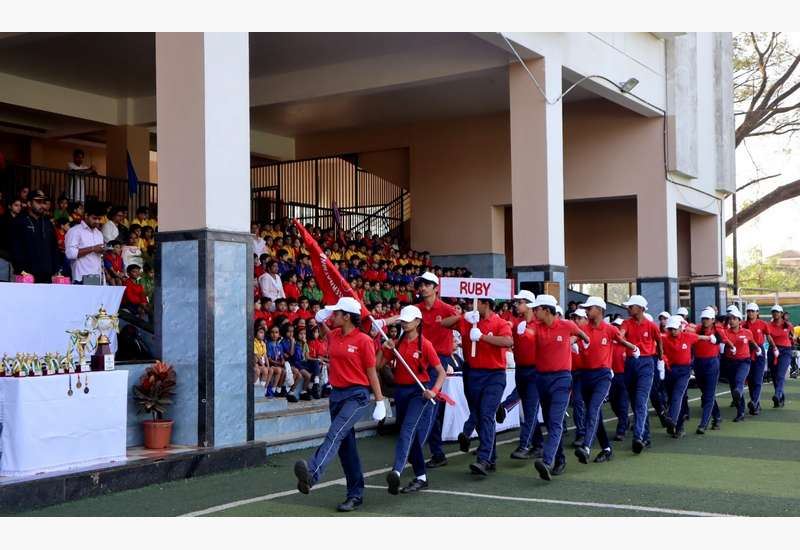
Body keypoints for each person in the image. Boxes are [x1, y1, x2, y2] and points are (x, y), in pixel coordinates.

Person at [294, 297, 386, 512]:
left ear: (347, 317)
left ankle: (312, 473)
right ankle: (355, 494)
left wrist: (380, 400)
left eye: (336, 313)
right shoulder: (334, 335)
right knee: (346, 447)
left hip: (357, 395)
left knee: (335, 434)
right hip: (336, 396)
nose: (332, 316)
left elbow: (372, 372)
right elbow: (325, 331)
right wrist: (320, 319)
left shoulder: (364, 340)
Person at [379, 305, 446, 495]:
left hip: (419, 392)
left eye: (409, 320)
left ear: (418, 322)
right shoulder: (396, 344)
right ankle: (421, 477)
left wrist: (433, 391)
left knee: (407, 430)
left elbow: (441, 372)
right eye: (403, 320)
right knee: (412, 436)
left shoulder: (425, 345)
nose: (405, 323)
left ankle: (397, 471)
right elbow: (378, 365)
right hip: (401, 392)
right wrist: (384, 348)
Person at [530, 294, 590, 481]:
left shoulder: (567, 325)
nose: (534, 312)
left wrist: (577, 342)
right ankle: (560, 459)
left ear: (546, 310)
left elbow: (583, 335)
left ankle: (547, 461)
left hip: (562, 379)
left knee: (555, 421)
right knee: (550, 422)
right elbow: (527, 335)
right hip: (542, 379)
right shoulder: (536, 326)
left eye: (537, 309)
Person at [573, 297, 639, 464]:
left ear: (600, 310)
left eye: (590, 308)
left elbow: (622, 341)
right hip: (585, 376)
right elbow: (572, 339)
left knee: (593, 410)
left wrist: (634, 349)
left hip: (603, 376)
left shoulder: (609, 329)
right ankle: (607, 449)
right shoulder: (582, 329)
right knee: (596, 416)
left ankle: (586, 447)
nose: (587, 311)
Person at [457, 297, 513, 476]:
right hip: (474, 374)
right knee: (479, 415)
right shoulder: (471, 320)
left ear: (486, 303)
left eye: (476, 302)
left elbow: (508, 341)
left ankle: (483, 458)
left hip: (495, 375)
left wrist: (483, 337)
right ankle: (491, 457)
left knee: (486, 414)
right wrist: (464, 317)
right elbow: (444, 323)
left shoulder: (500, 322)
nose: (471, 305)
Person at [415, 272, 462, 469]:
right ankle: (436, 452)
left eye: (427, 284)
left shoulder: (446, 309)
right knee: (427, 404)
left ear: (436, 288)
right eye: (421, 285)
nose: (422, 288)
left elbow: (462, 324)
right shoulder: (416, 309)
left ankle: (418, 449)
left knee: (430, 404)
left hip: (439, 361)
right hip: (420, 359)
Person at [619, 295, 663, 454]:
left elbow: (659, 342)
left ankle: (638, 437)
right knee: (635, 402)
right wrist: (629, 345)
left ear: (641, 308)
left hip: (646, 364)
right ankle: (646, 436)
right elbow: (620, 335)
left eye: (631, 306)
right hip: (631, 363)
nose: (628, 308)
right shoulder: (626, 323)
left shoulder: (651, 325)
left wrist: (660, 360)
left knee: (640, 401)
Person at [661, 315, 715, 436]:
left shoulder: (688, 336)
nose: (673, 331)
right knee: (672, 398)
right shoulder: (664, 338)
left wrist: (711, 338)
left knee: (678, 396)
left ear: (680, 328)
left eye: (675, 329)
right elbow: (654, 341)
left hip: (684, 371)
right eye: (670, 329)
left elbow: (699, 337)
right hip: (669, 370)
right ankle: (674, 425)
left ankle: (674, 421)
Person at [508, 290, 544, 460]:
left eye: (520, 302)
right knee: (529, 410)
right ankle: (538, 445)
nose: (516, 305)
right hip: (521, 369)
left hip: (535, 370)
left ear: (529, 305)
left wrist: (527, 332)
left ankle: (524, 445)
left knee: (530, 410)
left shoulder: (539, 324)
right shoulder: (518, 323)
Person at [9, 190, 60, 283]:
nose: (42, 205)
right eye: (38, 202)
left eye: (43, 202)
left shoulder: (48, 223)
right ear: (29, 203)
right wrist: (21, 270)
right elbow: (15, 248)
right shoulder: (19, 222)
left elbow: (54, 248)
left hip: (47, 274)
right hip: (26, 275)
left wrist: (55, 270)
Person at [723, 307, 761, 422]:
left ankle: (738, 392)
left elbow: (752, 343)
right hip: (730, 362)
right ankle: (740, 412)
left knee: (739, 381)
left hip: (744, 361)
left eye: (734, 318)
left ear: (739, 320)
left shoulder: (747, 332)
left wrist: (758, 350)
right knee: (733, 387)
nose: (731, 321)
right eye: (730, 319)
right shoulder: (725, 332)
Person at [764, 304, 794, 408]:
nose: (775, 313)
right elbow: (768, 338)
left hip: (785, 351)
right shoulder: (768, 325)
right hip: (773, 350)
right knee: (774, 375)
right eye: (773, 312)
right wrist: (774, 347)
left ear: (781, 313)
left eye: (777, 312)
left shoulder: (788, 325)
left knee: (780, 375)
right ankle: (781, 398)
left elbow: (792, 337)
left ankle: (777, 395)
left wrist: (790, 342)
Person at [743, 303, 769, 415]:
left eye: (753, 311)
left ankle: (754, 402)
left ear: (757, 312)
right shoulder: (743, 325)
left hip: (759, 352)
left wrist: (774, 348)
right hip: (746, 351)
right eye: (748, 311)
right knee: (750, 380)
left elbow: (768, 336)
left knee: (758, 379)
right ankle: (755, 403)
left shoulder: (763, 324)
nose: (750, 313)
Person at [609, 317, 631, 442]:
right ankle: (625, 420)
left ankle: (621, 430)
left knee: (623, 404)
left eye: (618, 327)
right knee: (613, 403)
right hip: (611, 376)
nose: (616, 329)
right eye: (614, 327)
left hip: (624, 376)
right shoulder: (610, 342)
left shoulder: (627, 343)